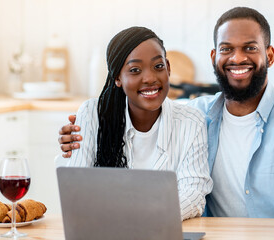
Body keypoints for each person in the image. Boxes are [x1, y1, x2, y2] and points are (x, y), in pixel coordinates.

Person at [58, 7, 274, 218]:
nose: (237, 58)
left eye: (250, 48)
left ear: (268, 55)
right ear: (214, 57)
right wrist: (82, 134)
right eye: (227, 49)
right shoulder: (197, 115)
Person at [62, 26, 212, 221]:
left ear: (168, 67)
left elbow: (193, 193)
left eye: (158, 66)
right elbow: (77, 190)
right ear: (117, 78)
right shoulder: (93, 115)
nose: (150, 78)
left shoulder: (191, 121)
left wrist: (141, 216)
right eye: (135, 70)